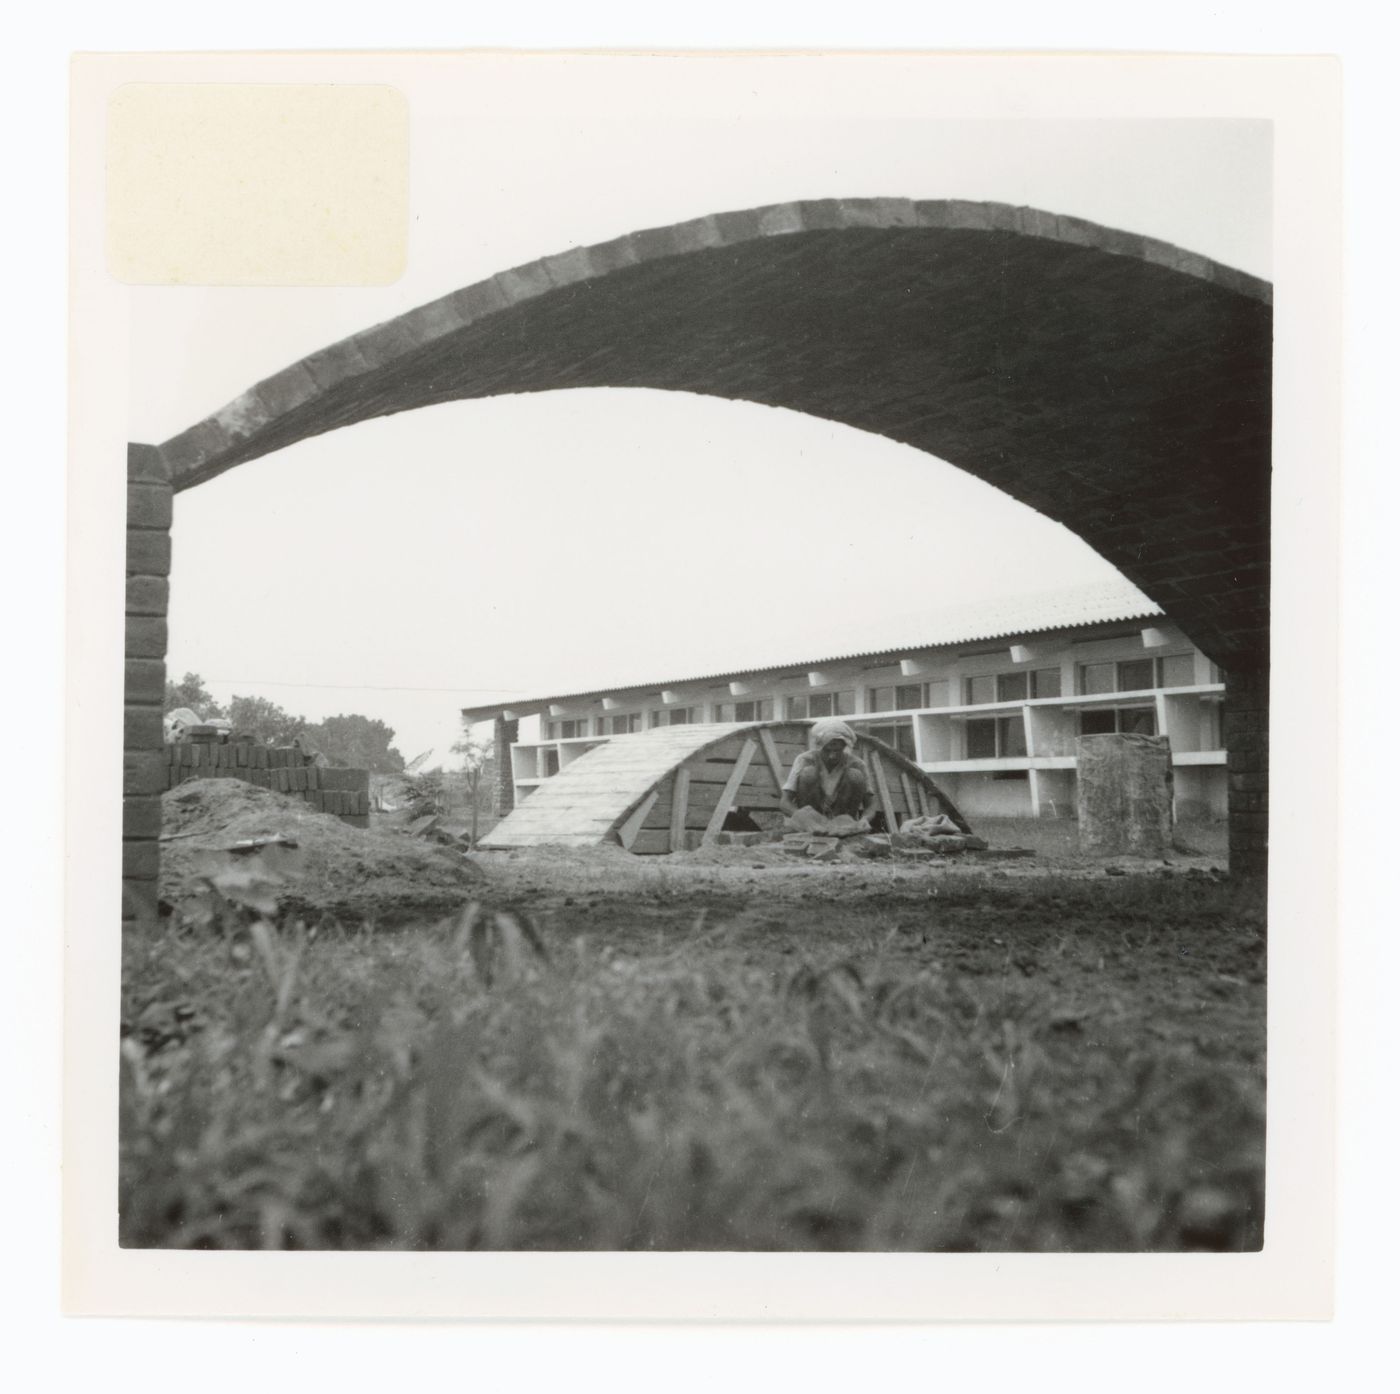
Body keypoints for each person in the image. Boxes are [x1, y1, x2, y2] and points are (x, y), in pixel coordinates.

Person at [779, 718, 878, 828]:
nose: (832, 756)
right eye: (827, 750)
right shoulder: (805, 760)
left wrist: (865, 819)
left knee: (855, 775)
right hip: (811, 821)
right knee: (808, 773)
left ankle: (842, 827)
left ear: (844, 746)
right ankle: (813, 826)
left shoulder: (857, 764)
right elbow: (785, 802)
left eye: (837, 751)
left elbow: (871, 805)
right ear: (820, 746)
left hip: (843, 821)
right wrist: (802, 817)